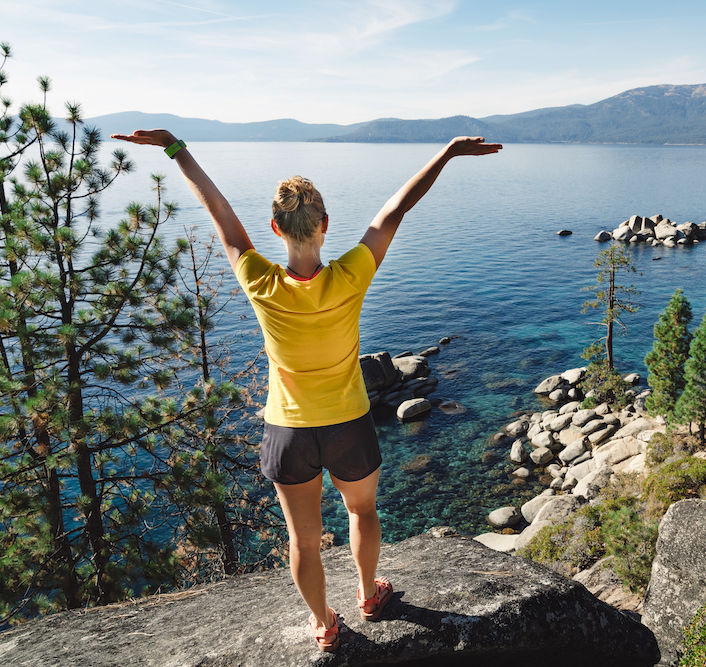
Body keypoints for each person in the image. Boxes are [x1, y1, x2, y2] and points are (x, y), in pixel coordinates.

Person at [110, 129, 502, 652]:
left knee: (304, 539)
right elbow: (395, 209)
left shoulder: (259, 281)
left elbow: (221, 215)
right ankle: (368, 594)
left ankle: (323, 624)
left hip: (289, 431)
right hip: (348, 424)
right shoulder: (351, 275)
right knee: (362, 512)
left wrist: (176, 149)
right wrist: (448, 153)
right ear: (323, 225)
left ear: (275, 227)